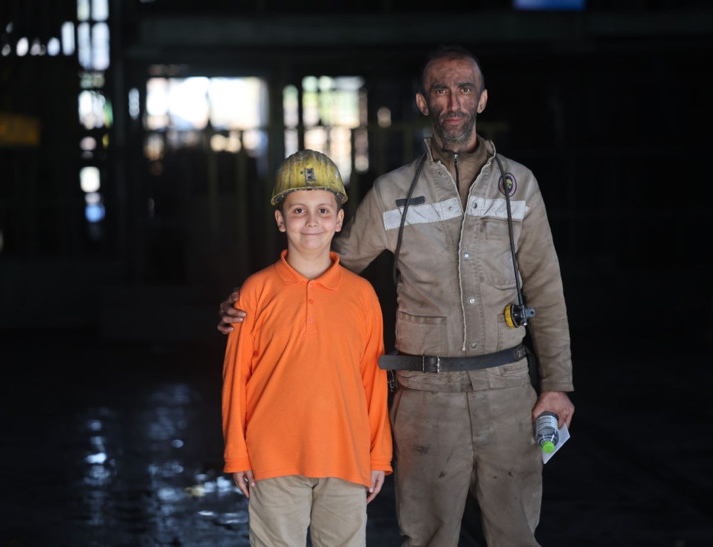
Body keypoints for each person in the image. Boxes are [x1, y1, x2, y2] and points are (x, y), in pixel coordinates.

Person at [220, 45, 574, 546]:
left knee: (515, 535)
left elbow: (545, 285)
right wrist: (254, 300)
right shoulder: (393, 193)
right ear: (423, 102)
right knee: (427, 538)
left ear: (482, 99)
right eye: (440, 90)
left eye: (465, 89)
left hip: (507, 391)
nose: (453, 101)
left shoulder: (519, 187)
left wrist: (556, 383)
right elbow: (329, 261)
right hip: (427, 399)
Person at [220, 149, 392, 547]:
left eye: (323, 211)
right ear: (280, 220)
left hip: (346, 456)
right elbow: (235, 380)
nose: (312, 221)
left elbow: (373, 380)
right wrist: (237, 454)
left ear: (339, 220)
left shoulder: (362, 295)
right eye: (298, 211)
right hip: (272, 459)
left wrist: (378, 455)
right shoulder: (255, 291)